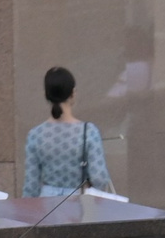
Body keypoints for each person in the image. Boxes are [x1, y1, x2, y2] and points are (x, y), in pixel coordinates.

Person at [22, 67, 112, 197]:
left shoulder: (35, 135)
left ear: (46, 95)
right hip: (80, 205)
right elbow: (100, 179)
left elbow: (30, 186)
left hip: (47, 205)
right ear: (73, 93)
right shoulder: (89, 132)